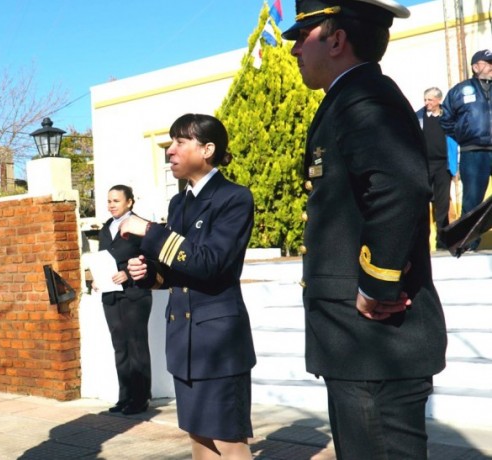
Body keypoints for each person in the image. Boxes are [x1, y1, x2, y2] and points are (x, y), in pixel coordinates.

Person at [282, 1, 447, 458]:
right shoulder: (348, 97)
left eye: (303, 36)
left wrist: (377, 283)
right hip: (359, 344)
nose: (294, 50)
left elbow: (399, 185)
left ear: (336, 39)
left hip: (374, 340)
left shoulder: (363, 97)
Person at [121, 114, 256, 459]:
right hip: (184, 338)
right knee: (198, 437)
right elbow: (176, 269)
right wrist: (149, 273)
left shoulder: (234, 198)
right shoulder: (180, 202)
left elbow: (208, 263)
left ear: (207, 149)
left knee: (228, 439)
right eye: (170, 142)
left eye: (181, 142)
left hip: (218, 340)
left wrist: (149, 231)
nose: (171, 151)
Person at [97, 185, 153, 415]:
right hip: (110, 294)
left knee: (136, 345)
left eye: (116, 200)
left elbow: (152, 259)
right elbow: (102, 258)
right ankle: (125, 396)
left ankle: (140, 399)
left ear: (129, 202)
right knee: (119, 346)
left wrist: (128, 274)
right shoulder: (105, 228)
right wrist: (97, 277)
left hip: (134, 293)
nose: (111, 204)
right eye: (109, 200)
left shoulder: (141, 226)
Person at [441, 48, 492, 251]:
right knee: (472, 198)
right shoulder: (460, 91)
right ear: (475, 66)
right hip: (474, 152)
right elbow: (446, 119)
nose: (491, 67)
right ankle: (468, 244)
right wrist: (463, 136)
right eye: (487, 63)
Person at [416, 87, 459, 249]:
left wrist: (455, 167)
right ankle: (422, 241)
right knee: (423, 203)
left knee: (442, 205)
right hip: (424, 166)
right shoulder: (418, 118)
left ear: (439, 101)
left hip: (443, 166)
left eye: (430, 100)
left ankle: (441, 241)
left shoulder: (447, 118)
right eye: (425, 99)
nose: (427, 103)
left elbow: (455, 142)